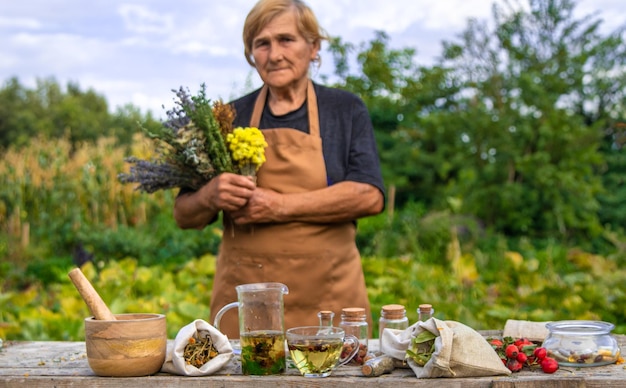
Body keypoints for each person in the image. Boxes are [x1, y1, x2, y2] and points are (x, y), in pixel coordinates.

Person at [173, 0, 385, 339]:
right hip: (246, 302)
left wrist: (278, 206)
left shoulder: (344, 110)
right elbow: (184, 215)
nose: (274, 54)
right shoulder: (228, 118)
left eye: (286, 39)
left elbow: (369, 196)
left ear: (313, 47)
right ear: (251, 54)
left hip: (328, 297)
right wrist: (210, 195)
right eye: (262, 43)